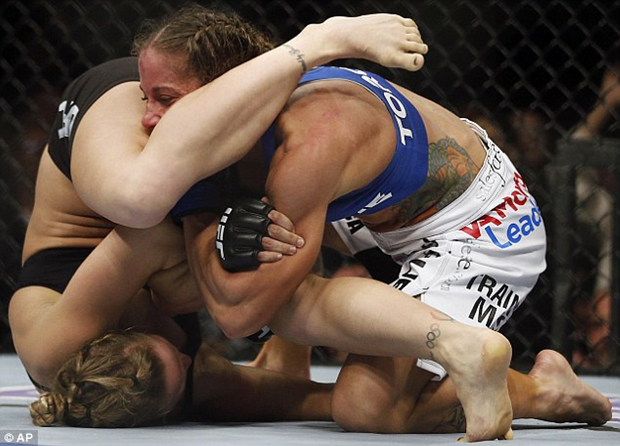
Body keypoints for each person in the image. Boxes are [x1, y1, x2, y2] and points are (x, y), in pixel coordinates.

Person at [133, 5, 611, 442]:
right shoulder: (263, 115)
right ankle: (285, 358)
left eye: (167, 99)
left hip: (482, 227)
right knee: (257, 230)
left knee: (368, 406)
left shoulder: (313, 136)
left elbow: (238, 314)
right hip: (380, 216)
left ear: (224, 90)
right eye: (145, 97)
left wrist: (196, 201)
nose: (149, 119)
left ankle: (545, 391)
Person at [9, 8, 425, 426]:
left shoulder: (56, 350)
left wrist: (212, 250)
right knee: (278, 220)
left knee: (141, 202)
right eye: (188, 372)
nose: (191, 357)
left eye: (182, 361)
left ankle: (316, 42)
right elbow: (314, 399)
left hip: (112, 161)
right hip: (180, 204)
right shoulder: (194, 385)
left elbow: (153, 239)